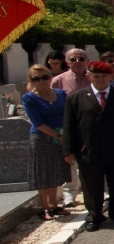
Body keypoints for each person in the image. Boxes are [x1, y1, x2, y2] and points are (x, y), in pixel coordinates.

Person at [62, 61, 114, 231]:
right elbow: (69, 126)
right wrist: (68, 150)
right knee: (91, 185)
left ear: (110, 77)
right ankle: (94, 215)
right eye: (96, 76)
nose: (100, 80)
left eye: (104, 76)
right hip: (88, 150)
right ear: (89, 77)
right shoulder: (76, 98)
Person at [21, 65, 72, 220]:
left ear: (50, 78)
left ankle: (54, 205)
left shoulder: (60, 94)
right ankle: (45, 208)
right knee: (42, 173)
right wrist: (58, 135)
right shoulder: (29, 98)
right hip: (42, 138)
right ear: (31, 81)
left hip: (61, 137)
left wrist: (65, 135)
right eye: (36, 78)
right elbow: (38, 123)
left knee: (56, 170)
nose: (41, 81)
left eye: (44, 77)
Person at [51, 48, 92, 207]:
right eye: (73, 59)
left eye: (81, 59)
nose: (77, 62)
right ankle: (69, 194)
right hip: (69, 125)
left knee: (92, 160)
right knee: (70, 161)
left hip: (90, 126)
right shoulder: (59, 81)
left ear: (87, 61)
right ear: (67, 62)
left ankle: (99, 191)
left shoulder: (93, 78)